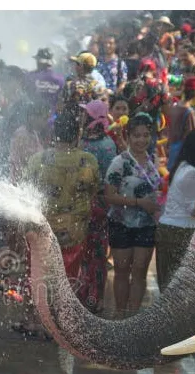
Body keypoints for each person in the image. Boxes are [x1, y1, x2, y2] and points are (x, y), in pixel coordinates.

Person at [25, 111, 100, 305]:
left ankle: (36, 322)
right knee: (67, 280)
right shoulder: (88, 161)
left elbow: (25, 194)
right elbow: (94, 191)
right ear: (77, 135)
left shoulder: (38, 161)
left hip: (42, 230)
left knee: (41, 278)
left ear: (53, 134)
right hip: (74, 232)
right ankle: (62, 324)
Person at [104, 113, 161, 316]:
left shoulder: (154, 160)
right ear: (128, 137)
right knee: (121, 272)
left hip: (146, 225)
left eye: (146, 135)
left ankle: (134, 317)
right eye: (137, 135)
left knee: (140, 272)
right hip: (121, 223)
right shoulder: (119, 162)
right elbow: (109, 196)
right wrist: (138, 203)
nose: (142, 140)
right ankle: (121, 316)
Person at [155, 129, 195, 292]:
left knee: (167, 286)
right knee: (178, 289)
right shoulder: (192, 174)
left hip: (170, 229)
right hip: (181, 231)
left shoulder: (182, 166)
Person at [79, 100, 119, 313]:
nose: (83, 117)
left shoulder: (95, 143)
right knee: (95, 252)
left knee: (90, 251)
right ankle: (92, 296)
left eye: (87, 114)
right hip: (94, 205)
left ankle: (90, 296)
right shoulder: (107, 143)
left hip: (91, 205)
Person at [163, 77, 195, 169]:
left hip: (172, 150)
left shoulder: (175, 107)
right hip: (182, 156)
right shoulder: (189, 112)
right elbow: (190, 137)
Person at [24, 47, 65, 111]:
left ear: (39, 62)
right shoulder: (60, 79)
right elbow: (61, 101)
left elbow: (25, 96)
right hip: (53, 117)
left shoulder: (30, 76)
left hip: (34, 116)